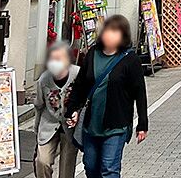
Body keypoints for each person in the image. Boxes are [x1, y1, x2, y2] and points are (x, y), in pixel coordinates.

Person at [64, 16, 148, 178]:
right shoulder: (92, 54)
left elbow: (139, 92)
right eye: (108, 31)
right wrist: (73, 109)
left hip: (116, 124)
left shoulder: (130, 59)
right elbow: (80, 85)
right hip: (91, 123)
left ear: (123, 36)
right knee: (90, 165)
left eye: (115, 32)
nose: (110, 35)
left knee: (109, 168)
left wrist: (142, 124)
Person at [34, 41, 79, 178]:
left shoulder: (78, 74)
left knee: (67, 168)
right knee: (42, 162)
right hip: (48, 123)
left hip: (70, 127)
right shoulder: (44, 79)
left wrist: (78, 113)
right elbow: (39, 105)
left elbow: (85, 99)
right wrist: (37, 129)